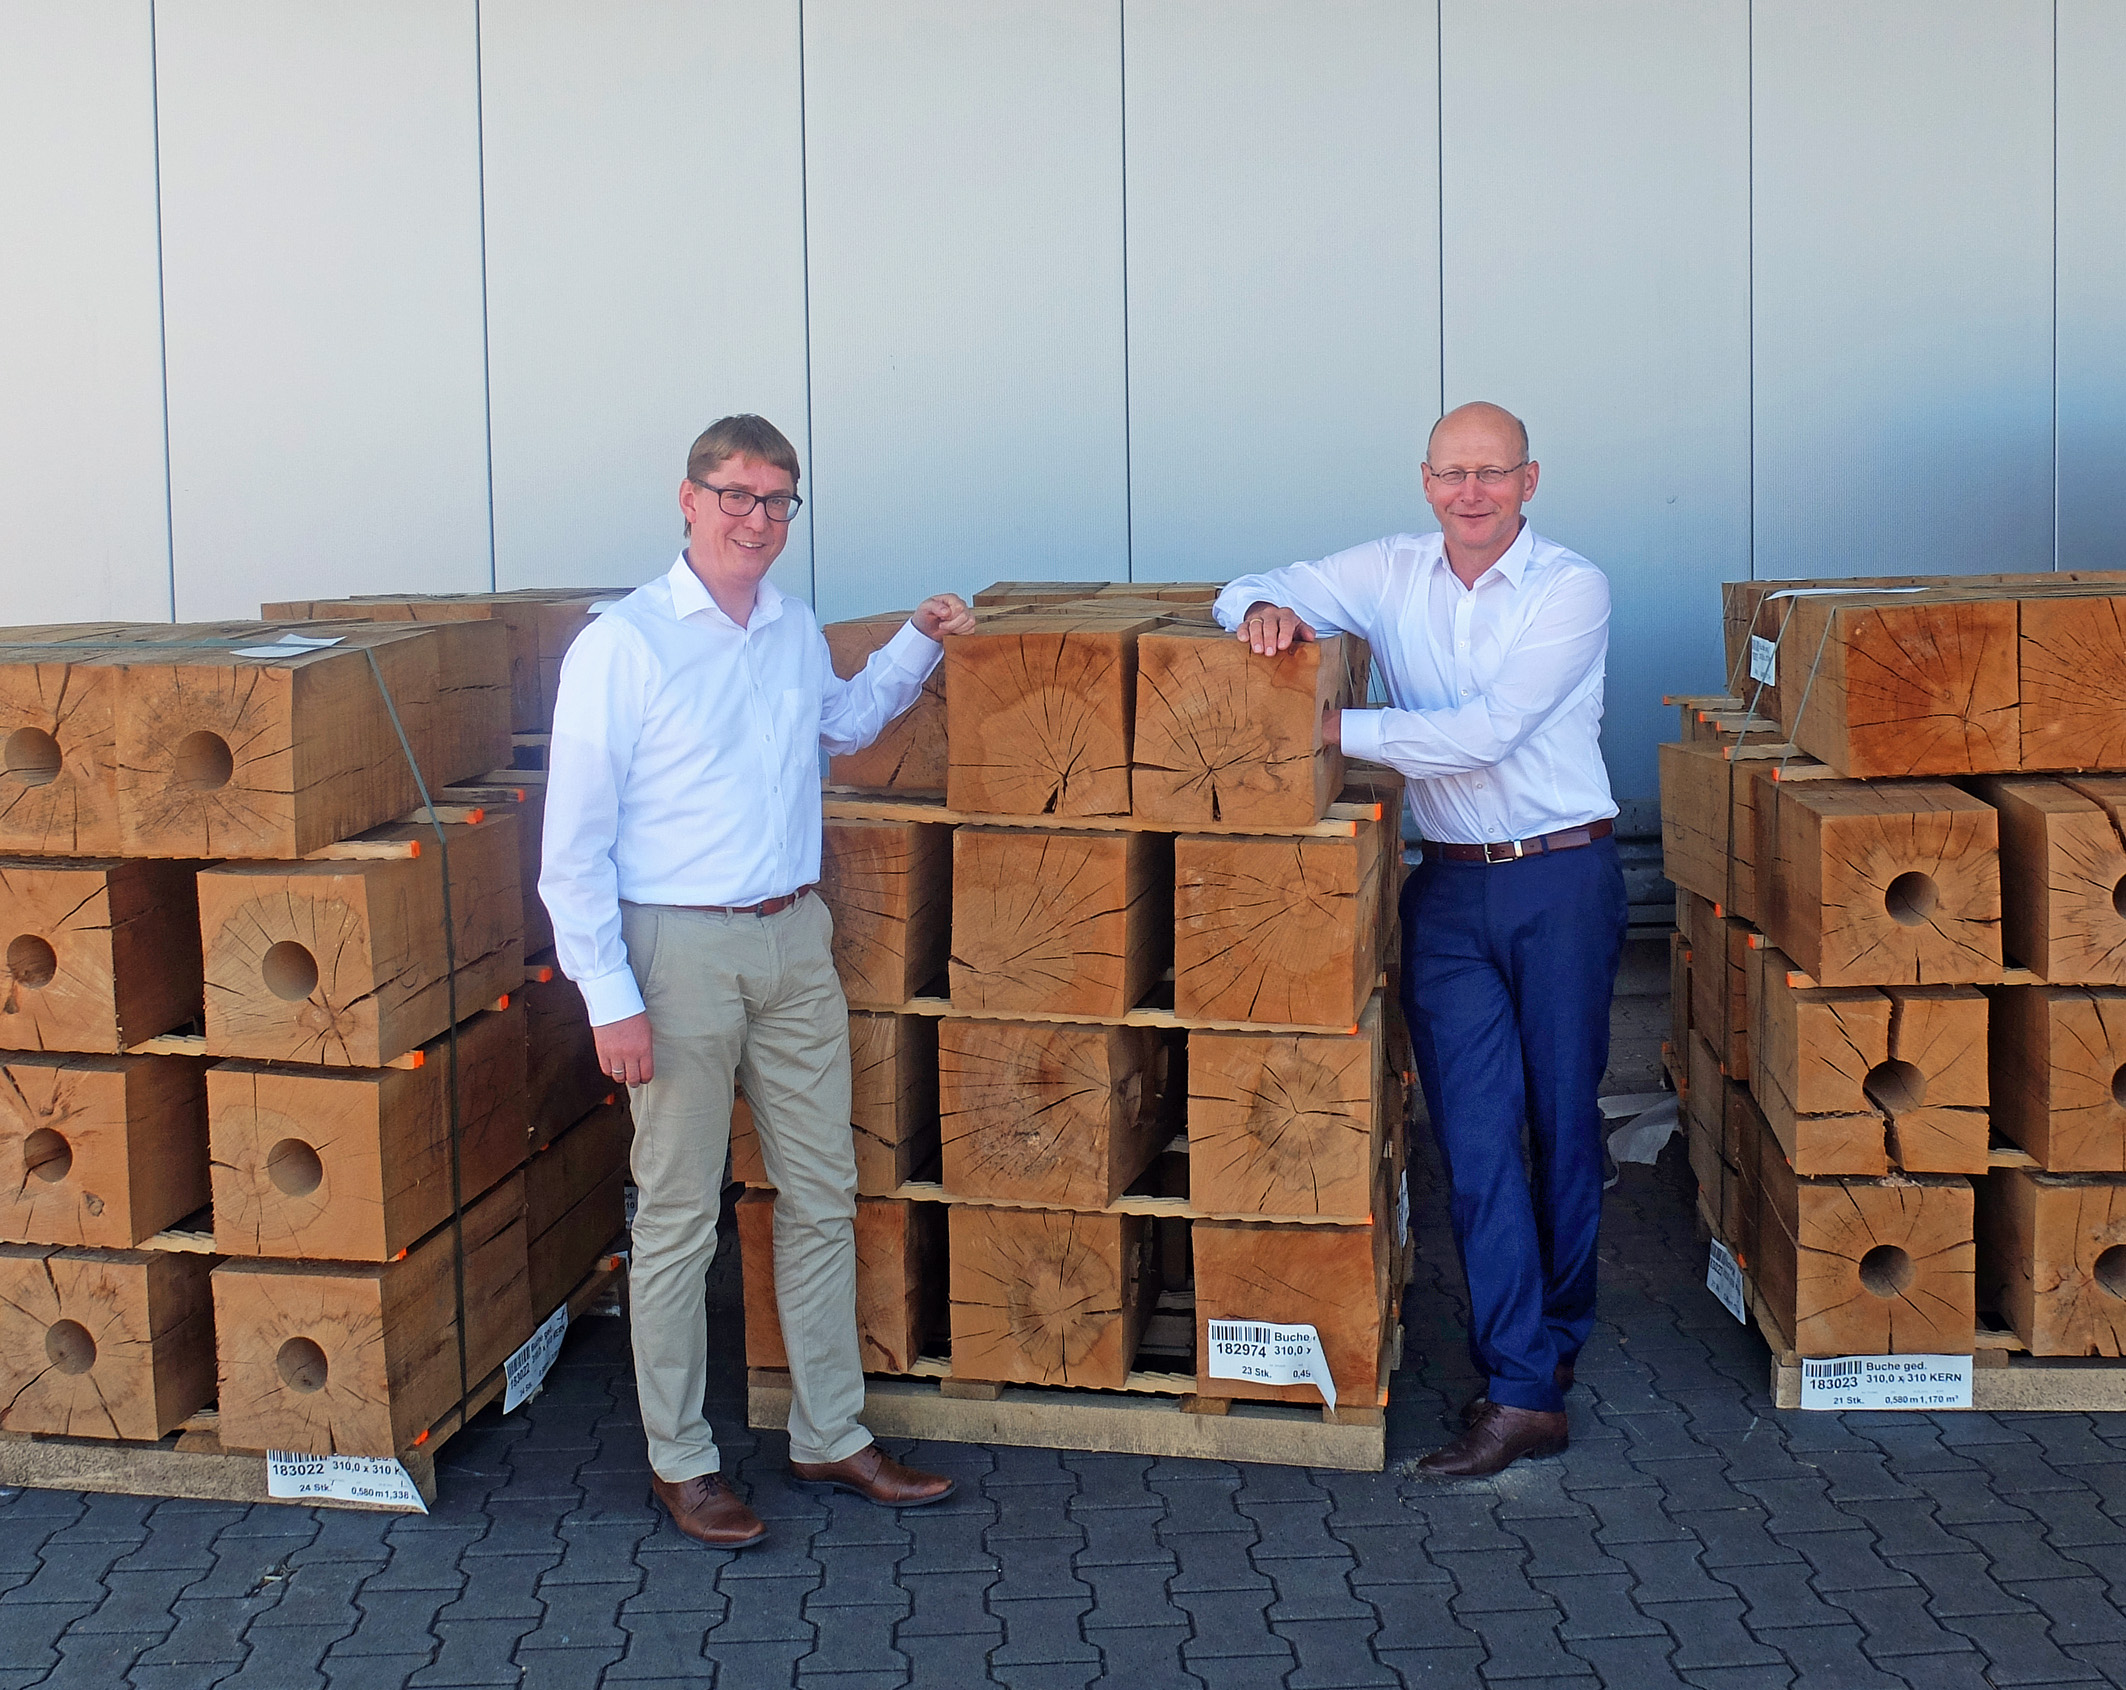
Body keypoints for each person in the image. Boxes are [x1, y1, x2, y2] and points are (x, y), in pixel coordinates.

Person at [541, 413, 975, 1546]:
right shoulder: (624, 644)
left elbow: (843, 724)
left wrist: (916, 640)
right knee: (681, 1215)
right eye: (735, 495)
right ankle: (681, 1462)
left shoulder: (789, 629)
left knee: (823, 1193)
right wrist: (609, 996)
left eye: (777, 500)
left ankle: (829, 1431)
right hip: (675, 951)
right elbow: (571, 846)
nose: (757, 519)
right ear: (688, 500)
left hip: (793, 939)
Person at [1217, 401, 1624, 1478]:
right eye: (1451, 473)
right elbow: (1242, 585)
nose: (1470, 493)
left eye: (1491, 472)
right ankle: (1521, 1388)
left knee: (1559, 1127)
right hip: (1445, 890)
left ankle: (1554, 1340)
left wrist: (1330, 728)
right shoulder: (1389, 569)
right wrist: (1262, 609)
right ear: (1426, 479)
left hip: (1561, 878)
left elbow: (1487, 732)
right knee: (1476, 1139)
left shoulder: (1570, 587)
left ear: (1529, 480)